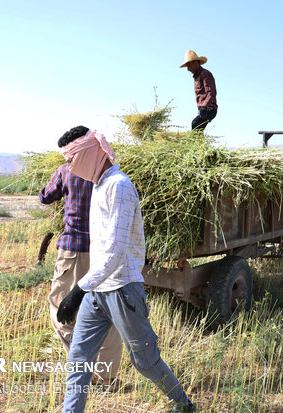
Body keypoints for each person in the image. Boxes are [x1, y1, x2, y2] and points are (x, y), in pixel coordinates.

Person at [55, 128, 195, 413]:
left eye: (71, 159)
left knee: (145, 360)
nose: (69, 166)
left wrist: (78, 290)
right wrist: (87, 288)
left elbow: (116, 254)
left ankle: (183, 404)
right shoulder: (99, 184)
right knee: (79, 360)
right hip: (98, 292)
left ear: (89, 153)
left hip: (122, 291)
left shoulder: (118, 185)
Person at [39, 125, 121, 386]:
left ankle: (79, 366)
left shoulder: (66, 171)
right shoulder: (109, 174)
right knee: (106, 315)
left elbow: (45, 197)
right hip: (103, 253)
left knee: (61, 309)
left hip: (73, 250)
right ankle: (107, 377)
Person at [180, 49, 218, 131]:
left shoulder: (205, 74)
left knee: (195, 124)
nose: (188, 69)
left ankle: (196, 143)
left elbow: (211, 93)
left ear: (195, 63)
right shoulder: (196, 77)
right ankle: (199, 143)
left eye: (189, 66)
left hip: (209, 108)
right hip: (203, 110)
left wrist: (204, 106)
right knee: (198, 129)